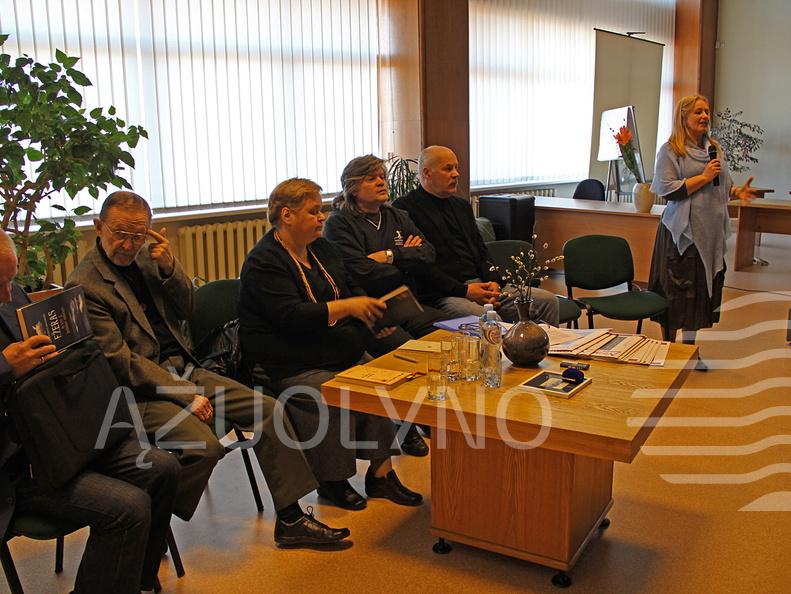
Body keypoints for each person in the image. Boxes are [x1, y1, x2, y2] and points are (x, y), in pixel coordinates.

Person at [65, 191, 348, 546]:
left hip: (186, 368)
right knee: (205, 447)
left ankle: (290, 520)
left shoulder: (148, 257)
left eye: (138, 235)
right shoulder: (85, 284)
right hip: (139, 389)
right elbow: (119, 360)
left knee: (269, 411)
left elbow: (187, 309)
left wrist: (170, 269)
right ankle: (145, 525)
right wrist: (185, 394)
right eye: (120, 234)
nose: (128, 244)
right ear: (98, 227)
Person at [0, 230, 181, 594]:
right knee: (128, 509)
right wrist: (5, 367)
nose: (8, 294)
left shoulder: (13, 295)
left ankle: (135, 580)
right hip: (16, 467)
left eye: (11, 279)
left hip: (60, 437)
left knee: (163, 469)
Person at [238, 178, 422, 512]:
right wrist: (348, 308)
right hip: (288, 360)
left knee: (378, 380)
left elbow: (349, 288)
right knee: (332, 393)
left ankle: (381, 475)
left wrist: (371, 316)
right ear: (286, 215)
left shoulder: (321, 248)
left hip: (334, 349)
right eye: (313, 211)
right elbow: (291, 316)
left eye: (320, 210)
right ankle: (332, 481)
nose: (321, 217)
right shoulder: (264, 261)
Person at [323, 154, 449, 457]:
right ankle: (405, 425)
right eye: (372, 178)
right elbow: (359, 271)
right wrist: (404, 262)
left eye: (382, 176)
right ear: (354, 187)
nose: (382, 182)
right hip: (368, 313)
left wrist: (390, 256)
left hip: (406, 304)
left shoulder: (396, 216)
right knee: (407, 353)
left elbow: (429, 255)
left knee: (449, 337)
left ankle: (433, 414)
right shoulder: (339, 223)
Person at [392, 145, 560, 326]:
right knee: (489, 320)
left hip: (482, 285)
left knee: (547, 301)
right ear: (427, 173)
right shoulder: (405, 209)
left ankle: (544, 345)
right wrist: (465, 291)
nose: (456, 174)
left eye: (456, 167)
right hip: (446, 293)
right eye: (448, 169)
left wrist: (494, 283)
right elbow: (421, 267)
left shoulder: (461, 206)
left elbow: (481, 250)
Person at [648, 95, 757, 367]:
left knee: (697, 295)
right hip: (680, 234)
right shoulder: (671, 150)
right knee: (675, 293)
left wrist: (736, 191)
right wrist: (704, 177)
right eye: (698, 112)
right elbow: (667, 190)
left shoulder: (713, 149)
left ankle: (689, 352)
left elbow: (720, 186)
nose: (705, 116)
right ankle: (668, 348)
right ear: (683, 117)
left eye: (707, 111)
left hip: (708, 235)